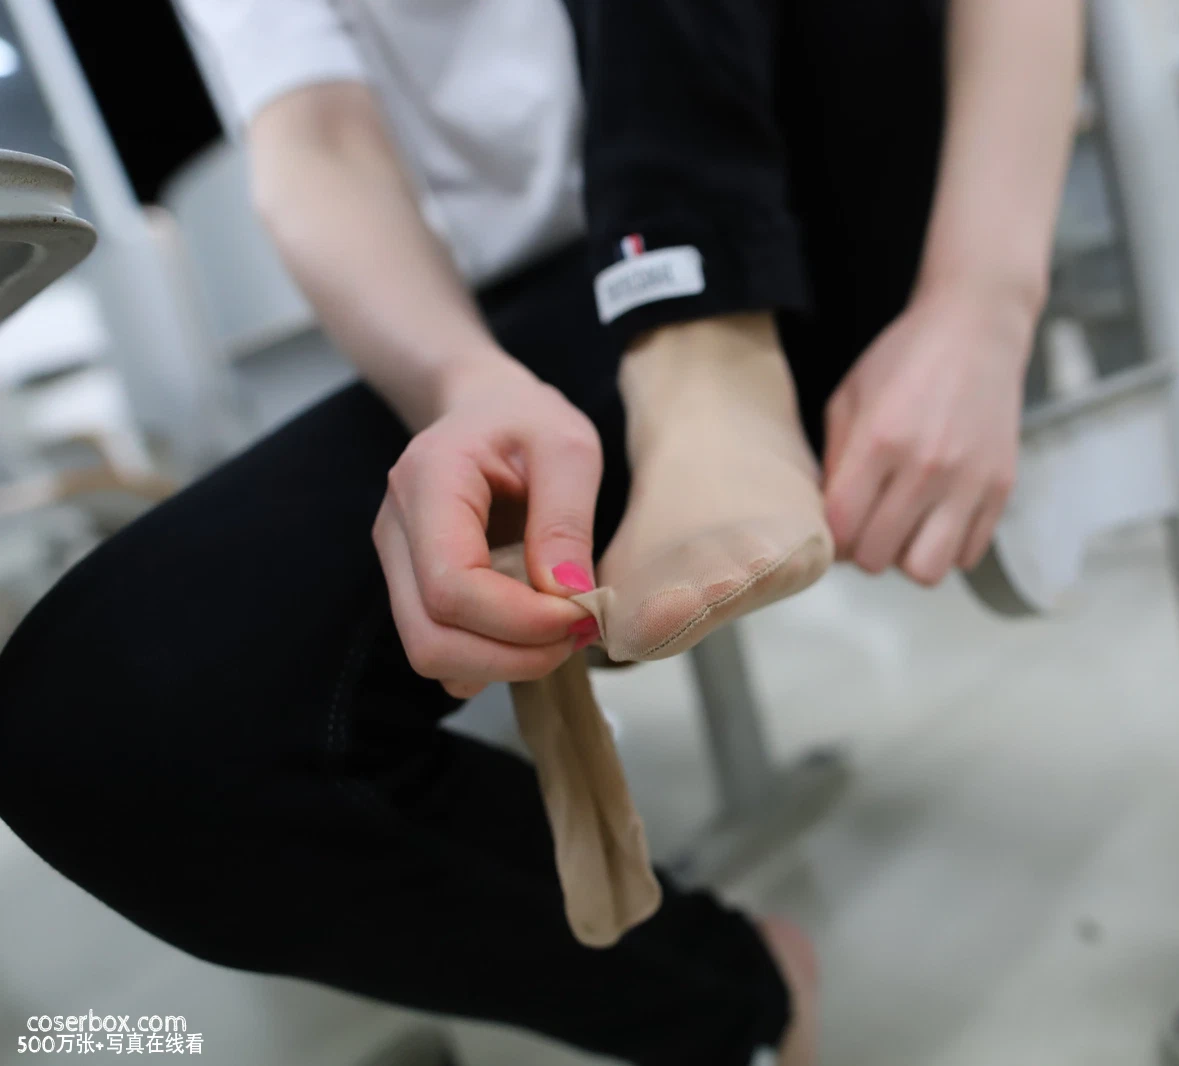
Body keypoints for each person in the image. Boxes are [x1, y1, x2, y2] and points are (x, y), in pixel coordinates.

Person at [0, 0, 1083, 1062]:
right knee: (107, 725)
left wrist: (980, 300)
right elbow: (315, 137)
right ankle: (735, 1006)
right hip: (568, 298)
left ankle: (707, 353)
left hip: (840, 190)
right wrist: (465, 385)